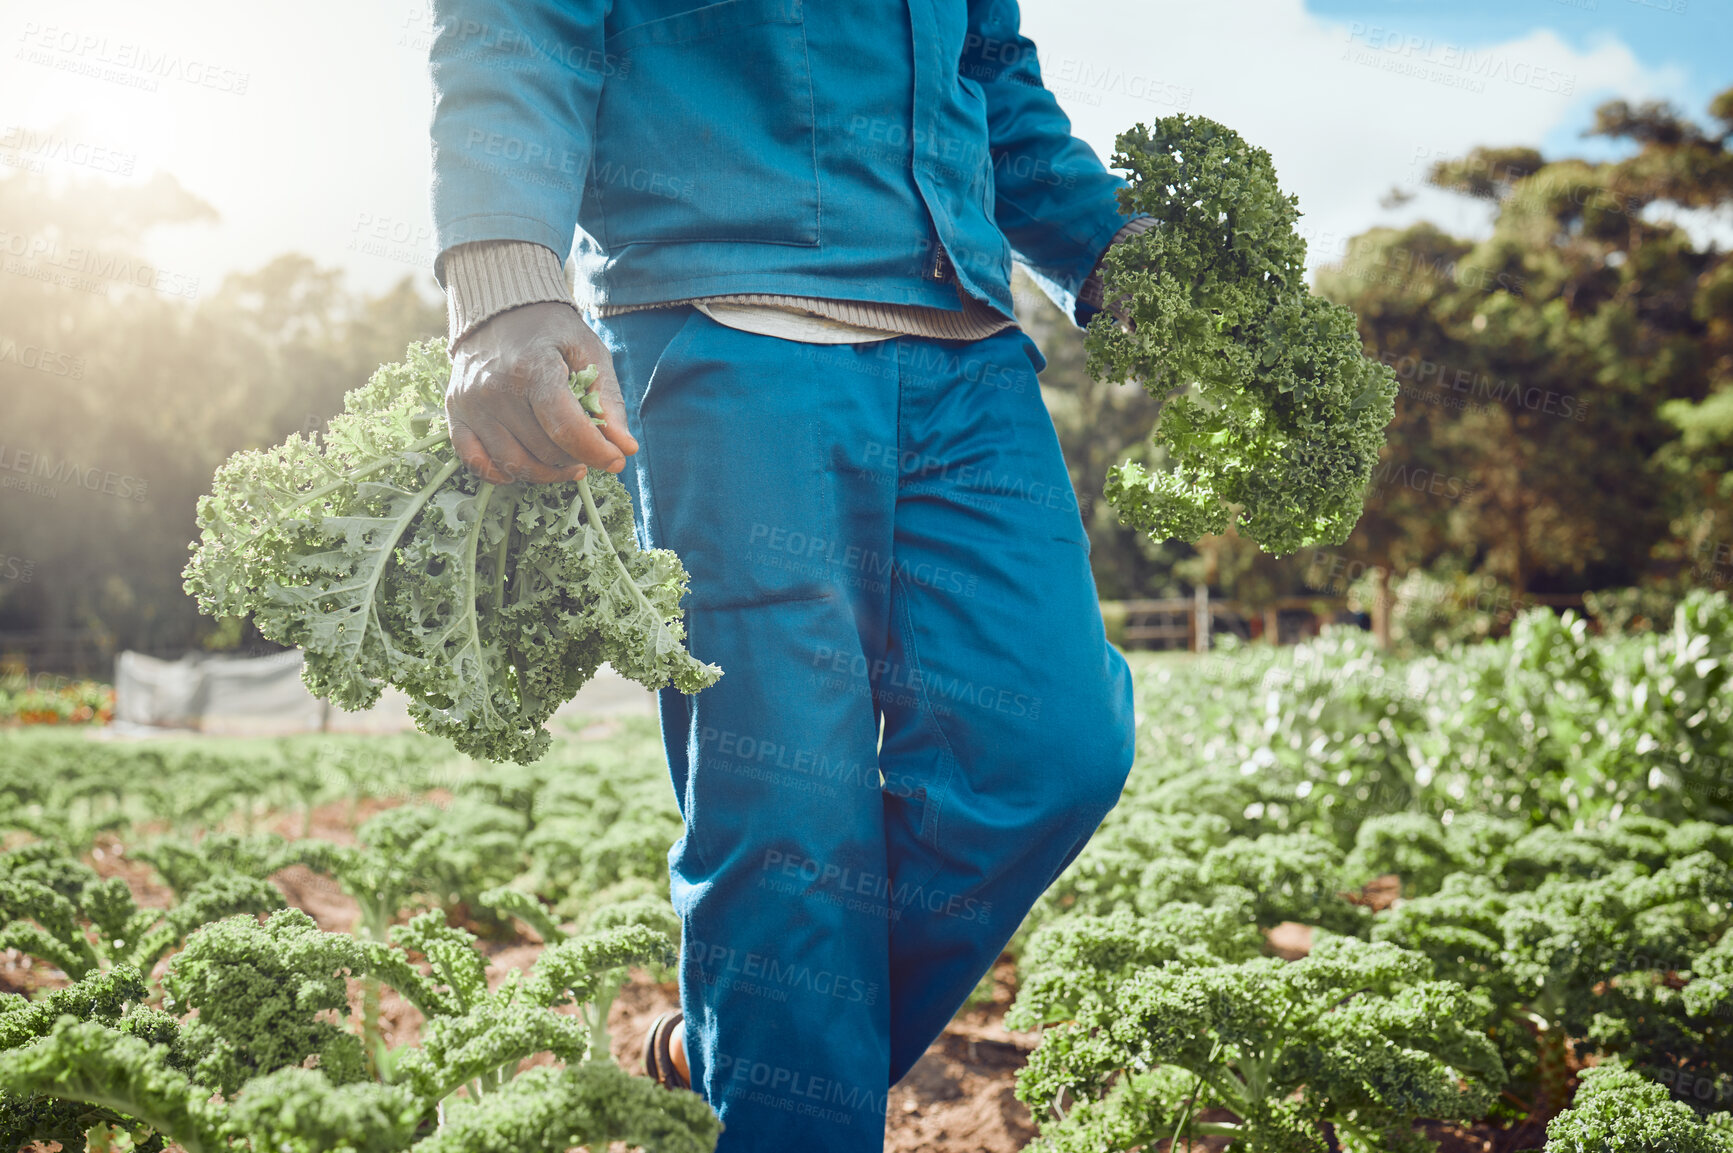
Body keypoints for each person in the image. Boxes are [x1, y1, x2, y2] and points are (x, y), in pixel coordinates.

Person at [427, 2, 1143, 1148]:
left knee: (1052, 747)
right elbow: (523, 21)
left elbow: (989, 73)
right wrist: (504, 282)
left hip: (969, 348)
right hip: (727, 329)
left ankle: (734, 1053)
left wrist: (1111, 251)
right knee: (788, 820)